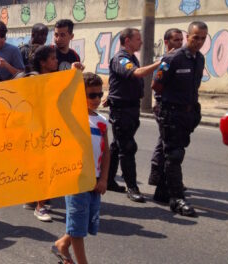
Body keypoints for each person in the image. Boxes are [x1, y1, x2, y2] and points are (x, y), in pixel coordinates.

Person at [150, 22, 207, 216]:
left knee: (175, 153)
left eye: (203, 38)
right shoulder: (172, 58)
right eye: (195, 37)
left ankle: (162, 192)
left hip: (188, 114)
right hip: (171, 113)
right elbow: (156, 85)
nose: (199, 42)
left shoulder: (199, 59)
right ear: (188, 36)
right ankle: (176, 199)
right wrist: (170, 100)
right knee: (174, 155)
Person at [52, 72, 109, 264]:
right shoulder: (73, 117)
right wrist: (73, 77)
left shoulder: (102, 121)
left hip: (95, 179)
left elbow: (107, 152)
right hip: (76, 180)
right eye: (91, 95)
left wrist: (103, 179)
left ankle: (62, 244)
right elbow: (60, 101)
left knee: (84, 221)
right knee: (78, 226)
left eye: (99, 94)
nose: (96, 99)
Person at [106, 27, 162, 202]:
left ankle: (108, 180)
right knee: (127, 148)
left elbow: (118, 82)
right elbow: (136, 73)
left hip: (129, 108)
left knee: (117, 146)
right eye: (138, 39)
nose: (142, 42)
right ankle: (132, 187)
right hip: (122, 110)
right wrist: (159, 63)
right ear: (127, 41)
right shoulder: (121, 58)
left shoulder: (131, 57)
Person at [24, 45, 59, 221]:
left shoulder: (52, 78)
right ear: (42, 62)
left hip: (48, 128)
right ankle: (40, 206)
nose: (56, 61)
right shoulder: (34, 78)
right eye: (52, 58)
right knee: (44, 167)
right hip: (37, 130)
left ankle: (34, 199)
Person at [148, 28, 183, 200]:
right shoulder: (166, 61)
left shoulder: (181, 59)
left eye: (181, 40)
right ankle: (161, 178)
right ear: (167, 42)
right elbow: (157, 85)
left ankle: (161, 177)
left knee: (164, 142)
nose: (180, 43)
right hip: (164, 106)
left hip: (176, 108)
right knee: (166, 144)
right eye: (176, 40)